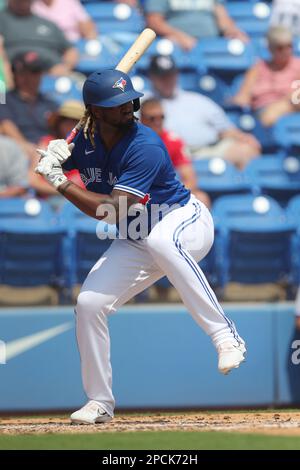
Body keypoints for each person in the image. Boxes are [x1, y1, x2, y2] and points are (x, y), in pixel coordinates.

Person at [36, 68, 246, 424]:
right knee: (89, 304)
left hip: (184, 223)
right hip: (136, 240)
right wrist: (53, 155)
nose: (128, 109)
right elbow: (53, 163)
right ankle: (99, 401)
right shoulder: (84, 141)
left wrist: (60, 182)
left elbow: (110, 211)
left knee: (163, 241)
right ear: (96, 111)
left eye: (129, 101)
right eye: (117, 105)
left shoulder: (144, 144)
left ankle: (226, 336)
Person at [147, 55, 261, 169]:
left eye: (170, 75)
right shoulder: (144, 103)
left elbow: (225, 129)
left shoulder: (197, 99)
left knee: (247, 150)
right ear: (152, 77)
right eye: (162, 77)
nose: (167, 80)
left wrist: (242, 137)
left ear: (177, 74)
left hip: (209, 150)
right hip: (172, 154)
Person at [0, 50, 59, 196]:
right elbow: (6, 126)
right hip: (18, 152)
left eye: (37, 72)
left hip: (46, 151)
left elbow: (59, 130)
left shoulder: (50, 102)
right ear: (17, 74)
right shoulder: (4, 99)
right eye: (30, 72)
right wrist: (28, 148)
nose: (34, 77)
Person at [141, 98, 210, 207]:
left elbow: (190, 179)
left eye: (161, 117)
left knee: (201, 198)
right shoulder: (132, 141)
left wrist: (169, 194)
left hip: (165, 193)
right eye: (152, 118)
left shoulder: (173, 141)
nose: (158, 122)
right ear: (142, 119)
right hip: (138, 193)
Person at [232, 26, 300, 127]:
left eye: (289, 46)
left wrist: (281, 104)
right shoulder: (258, 68)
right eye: (280, 47)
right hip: (262, 112)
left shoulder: (297, 65)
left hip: (292, 108)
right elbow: (243, 96)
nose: (286, 50)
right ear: (270, 48)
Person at [0, 0, 78, 76]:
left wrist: (65, 67)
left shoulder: (48, 23)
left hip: (51, 74)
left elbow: (70, 50)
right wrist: (6, 73)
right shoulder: (2, 20)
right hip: (15, 73)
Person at [144, 0, 248, 51]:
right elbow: (153, 21)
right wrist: (179, 36)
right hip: (177, 46)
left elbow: (222, 17)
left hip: (210, 44)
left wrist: (232, 31)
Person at [32, 0, 98, 43]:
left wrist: (88, 32)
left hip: (72, 43)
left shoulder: (69, 2)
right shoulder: (32, 5)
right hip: (46, 44)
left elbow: (86, 23)